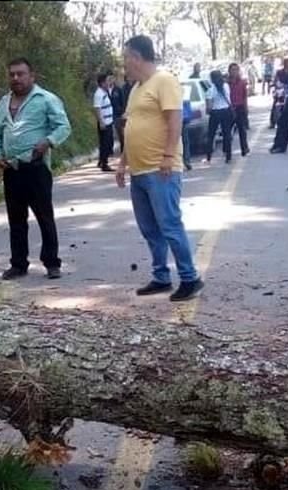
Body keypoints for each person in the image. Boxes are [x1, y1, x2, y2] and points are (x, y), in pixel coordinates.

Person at [117, 35, 203, 302]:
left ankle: (190, 278)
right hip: (139, 171)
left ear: (136, 57)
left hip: (161, 168)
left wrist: (167, 155)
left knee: (169, 224)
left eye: (126, 59)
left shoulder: (164, 81)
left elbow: (175, 120)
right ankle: (161, 276)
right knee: (149, 228)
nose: (124, 65)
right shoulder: (135, 89)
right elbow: (130, 128)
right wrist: (122, 163)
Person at [0, 58, 71, 281]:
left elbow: (63, 126)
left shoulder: (45, 99)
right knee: (16, 219)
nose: (16, 78)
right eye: (12, 74)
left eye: (21, 74)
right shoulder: (3, 104)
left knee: (44, 216)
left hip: (36, 169)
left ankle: (52, 263)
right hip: (11, 170)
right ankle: (18, 264)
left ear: (31, 76)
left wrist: (48, 141)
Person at [205, 69, 234, 164]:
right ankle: (228, 155)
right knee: (227, 134)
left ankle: (208, 156)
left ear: (212, 79)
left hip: (215, 112)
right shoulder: (226, 86)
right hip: (226, 111)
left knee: (211, 135)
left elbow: (209, 106)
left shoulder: (210, 89)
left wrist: (208, 111)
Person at [93, 71, 115, 172]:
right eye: (107, 81)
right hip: (104, 122)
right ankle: (104, 163)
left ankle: (101, 160)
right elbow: (97, 109)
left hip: (109, 121)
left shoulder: (104, 92)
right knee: (106, 143)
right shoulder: (98, 94)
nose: (108, 82)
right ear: (102, 83)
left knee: (107, 142)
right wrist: (101, 122)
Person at [228, 63, 250, 157]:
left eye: (236, 70)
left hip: (240, 108)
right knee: (227, 131)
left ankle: (244, 149)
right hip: (229, 109)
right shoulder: (226, 83)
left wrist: (246, 108)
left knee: (242, 130)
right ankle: (227, 151)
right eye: (233, 70)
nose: (235, 72)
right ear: (229, 71)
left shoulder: (242, 82)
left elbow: (245, 96)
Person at [111, 70, 129, 153]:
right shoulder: (105, 90)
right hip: (110, 115)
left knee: (121, 133)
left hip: (119, 114)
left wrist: (123, 112)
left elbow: (123, 101)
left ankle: (124, 150)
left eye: (112, 78)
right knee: (114, 133)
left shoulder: (118, 90)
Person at [181, 97, 194, 171]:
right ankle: (187, 161)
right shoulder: (184, 91)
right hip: (184, 118)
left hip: (180, 119)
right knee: (185, 142)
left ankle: (185, 162)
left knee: (181, 142)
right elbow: (188, 107)